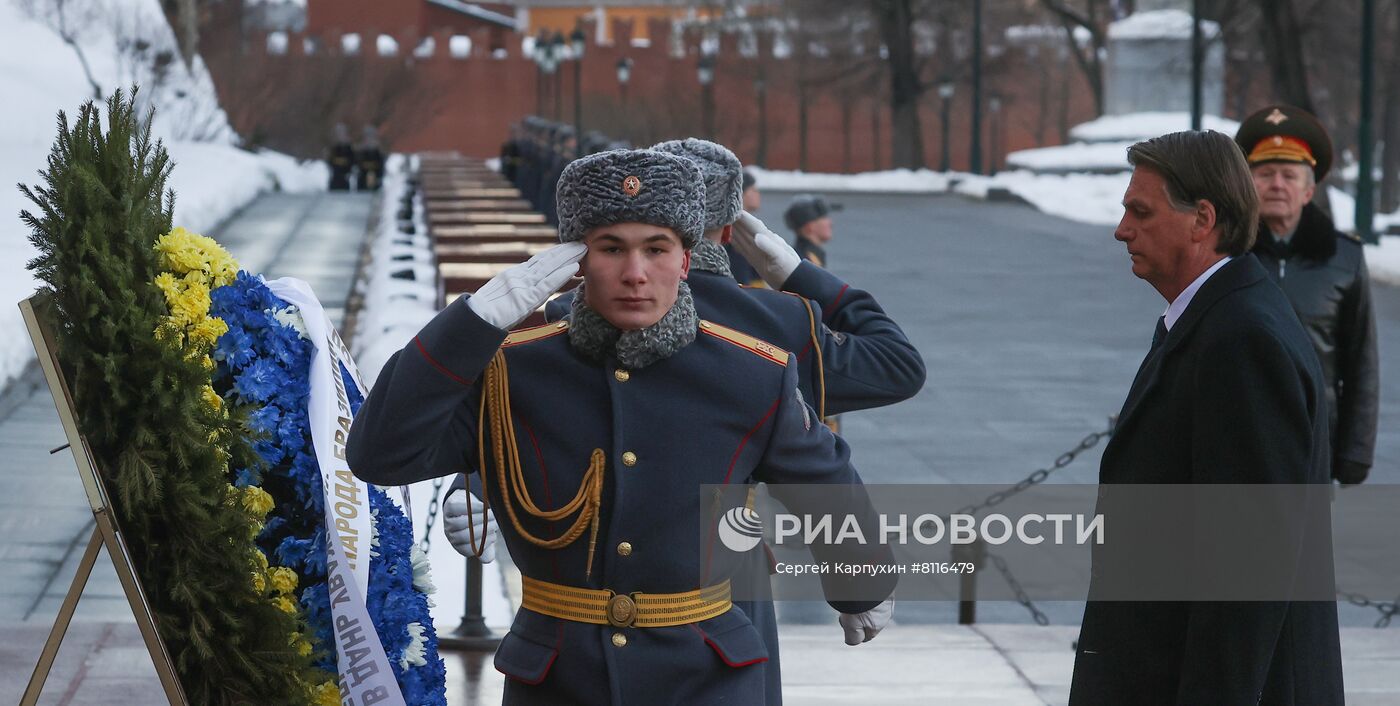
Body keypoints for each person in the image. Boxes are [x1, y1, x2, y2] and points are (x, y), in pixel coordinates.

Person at [348, 149, 895, 704]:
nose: (635, 274)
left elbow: (826, 486)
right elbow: (381, 454)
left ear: (686, 260)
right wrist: (471, 324)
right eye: (611, 249)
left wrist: (861, 585)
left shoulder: (751, 373)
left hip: (707, 676)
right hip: (561, 681)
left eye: (656, 249)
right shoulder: (513, 369)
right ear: (577, 261)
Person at [539, 137, 925, 704]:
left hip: (586, 591)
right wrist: (801, 276)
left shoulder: (568, 316)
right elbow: (896, 366)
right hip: (722, 580)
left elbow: (512, 416)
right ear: (727, 229)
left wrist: (472, 482)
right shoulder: (777, 320)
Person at [1069, 130, 1342, 704]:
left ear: (1203, 220)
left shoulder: (1241, 338)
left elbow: (1247, 571)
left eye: (1140, 212)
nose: (1122, 230)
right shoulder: (1208, 319)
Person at [1235, 105, 1378, 485]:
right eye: (1265, 174)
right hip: (1235, 438)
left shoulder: (1344, 258)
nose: (1277, 185)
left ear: (1308, 190)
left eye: (1288, 175)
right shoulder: (1227, 254)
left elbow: (1361, 364)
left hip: (1313, 442)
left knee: (1304, 544)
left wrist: (1355, 453)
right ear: (1248, 185)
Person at [727, 168, 765, 286]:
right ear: (741, 193)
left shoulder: (746, 226)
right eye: (753, 189)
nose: (758, 194)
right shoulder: (735, 228)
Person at [784, 194, 839, 268]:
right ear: (809, 227)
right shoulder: (805, 262)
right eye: (824, 218)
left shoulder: (801, 256)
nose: (831, 223)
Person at [355, 125, 385, 192]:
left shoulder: (378, 152)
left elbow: (381, 167)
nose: (369, 139)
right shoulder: (360, 151)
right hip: (362, 183)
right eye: (367, 137)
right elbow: (357, 166)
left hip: (375, 183)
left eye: (371, 136)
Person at [327, 123, 355, 191]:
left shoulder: (349, 149)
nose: (340, 135)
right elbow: (330, 162)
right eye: (339, 133)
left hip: (345, 180)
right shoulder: (333, 148)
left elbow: (352, 162)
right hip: (334, 180)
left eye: (342, 133)